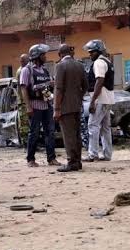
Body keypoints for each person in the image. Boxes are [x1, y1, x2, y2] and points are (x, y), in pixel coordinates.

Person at [20, 43, 61, 167]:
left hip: (46, 106)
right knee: (34, 133)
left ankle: (51, 158)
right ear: (37, 56)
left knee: (50, 132)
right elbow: (24, 89)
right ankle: (30, 159)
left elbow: (46, 89)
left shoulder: (44, 70)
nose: (45, 56)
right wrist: (28, 106)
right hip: (35, 106)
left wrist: (51, 100)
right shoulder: (27, 70)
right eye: (43, 54)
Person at [53, 44, 88, 172]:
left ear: (60, 54)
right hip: (77, 105)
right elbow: (85, 85)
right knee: (77, 134)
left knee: (68, 135)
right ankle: (77, 161)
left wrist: (56, 108)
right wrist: (78, 96)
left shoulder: (60, 66)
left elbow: (59, 88)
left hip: (65, 106)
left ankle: (71, 162)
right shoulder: (79, 65)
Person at [83, 39, 115, 162]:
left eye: (91, 52)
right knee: (105, 128)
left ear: (98, 51)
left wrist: (93, 101)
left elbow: (99, 81)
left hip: (100, 99)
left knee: (93, 125)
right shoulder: (108, 61)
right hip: (108, 98)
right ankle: (107, 154)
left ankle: (93, 154)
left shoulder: (99, 63)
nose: (89, 54)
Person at [15, 53, 30, 147]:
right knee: (24, 124)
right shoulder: (22, 71)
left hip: (25, 101)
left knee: (27, 123)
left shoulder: (24, 70)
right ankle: (26, 143)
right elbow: (23, 88)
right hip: (23, 101)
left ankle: (29, 143)